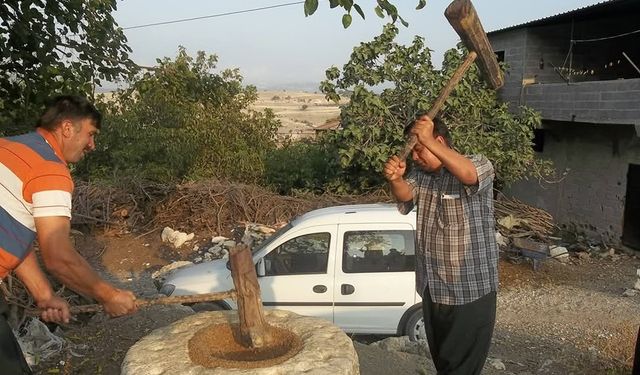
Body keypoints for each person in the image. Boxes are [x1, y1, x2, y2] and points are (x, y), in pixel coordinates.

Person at [0, 95, 138, 374]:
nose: (92, 145)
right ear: (66, 128)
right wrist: (108, 295)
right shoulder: (50, 171)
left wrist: (44, 294)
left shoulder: (9, 148)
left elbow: (13, 235)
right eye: (90, 134)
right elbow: (58, 256)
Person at [383, 115, 498, 375]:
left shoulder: (478, 163)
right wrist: (395, 179)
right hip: (433, 290)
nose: (414, 157)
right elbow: (406, 196)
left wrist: (427, 141)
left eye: (419, 149)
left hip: (468, 293)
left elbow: (470, 176)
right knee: (444, 364)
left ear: (439, 141)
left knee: (461, 369)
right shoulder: (422, 177)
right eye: (412, 152)